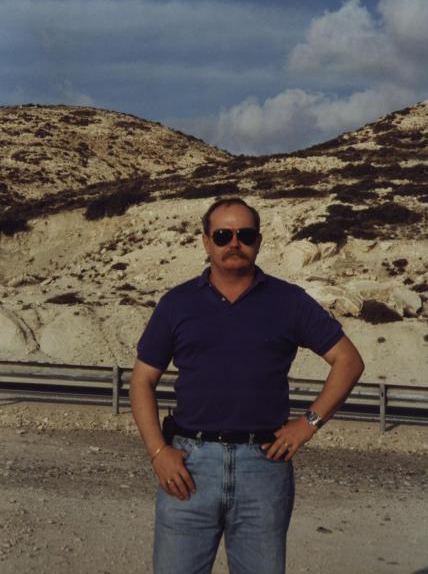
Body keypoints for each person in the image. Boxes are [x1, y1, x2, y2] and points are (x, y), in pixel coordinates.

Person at [130, 197, 364, 574]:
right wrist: (159, 452)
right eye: (223, 234)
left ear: (259, 241)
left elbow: (348, 361)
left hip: (264, 468)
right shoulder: (177, 303)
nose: (233, 243)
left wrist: (308, 425)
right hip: (188, 465)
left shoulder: (289, 301)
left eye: (245, 234)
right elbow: (142, 380)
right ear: (206, 242)